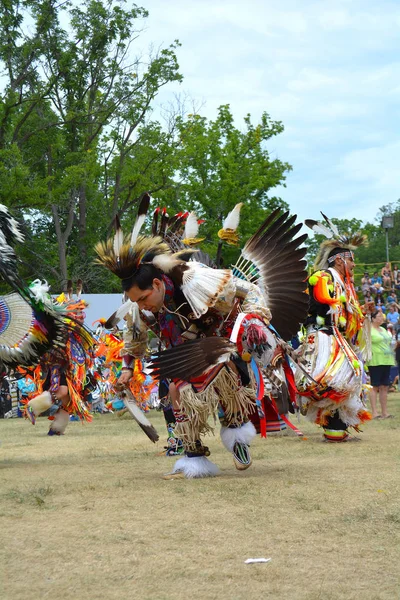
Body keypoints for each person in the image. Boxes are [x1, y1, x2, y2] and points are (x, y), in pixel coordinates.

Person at [95, 196, 309, 478]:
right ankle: (193, 458)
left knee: (231, 396)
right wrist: (125, 369)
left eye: (145, 297)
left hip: (219, 348)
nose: (142, 304)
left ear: (158, 284)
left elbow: (247, 290)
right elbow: (134, 340)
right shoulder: (140, 308)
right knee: (178, 395)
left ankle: (238, 441)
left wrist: (254, 322)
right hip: (181, 357)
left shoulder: (195, 278)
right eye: (136, 300)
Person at [296, 214, 373, 442]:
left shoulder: (343, 284)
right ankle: (333, 427)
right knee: (331, 379)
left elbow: (346, 315)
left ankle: (337, 427)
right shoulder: (323, 277)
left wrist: (360, 311)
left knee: (348, 377)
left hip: (336, 337)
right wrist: (345, 304)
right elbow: (322, 297)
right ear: (339, 260)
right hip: (323, 337)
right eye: (351, 261)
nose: (354, 265)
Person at [365, 310, 395, 419]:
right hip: (375, 360)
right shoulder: (368, 330)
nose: (381, 318)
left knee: (385, 386)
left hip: (387, 360)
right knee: (375, 385)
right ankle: (374, 412)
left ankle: (385, 412)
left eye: (382, 316)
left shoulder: (383, 329)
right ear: (372, 318)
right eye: (378, 316)